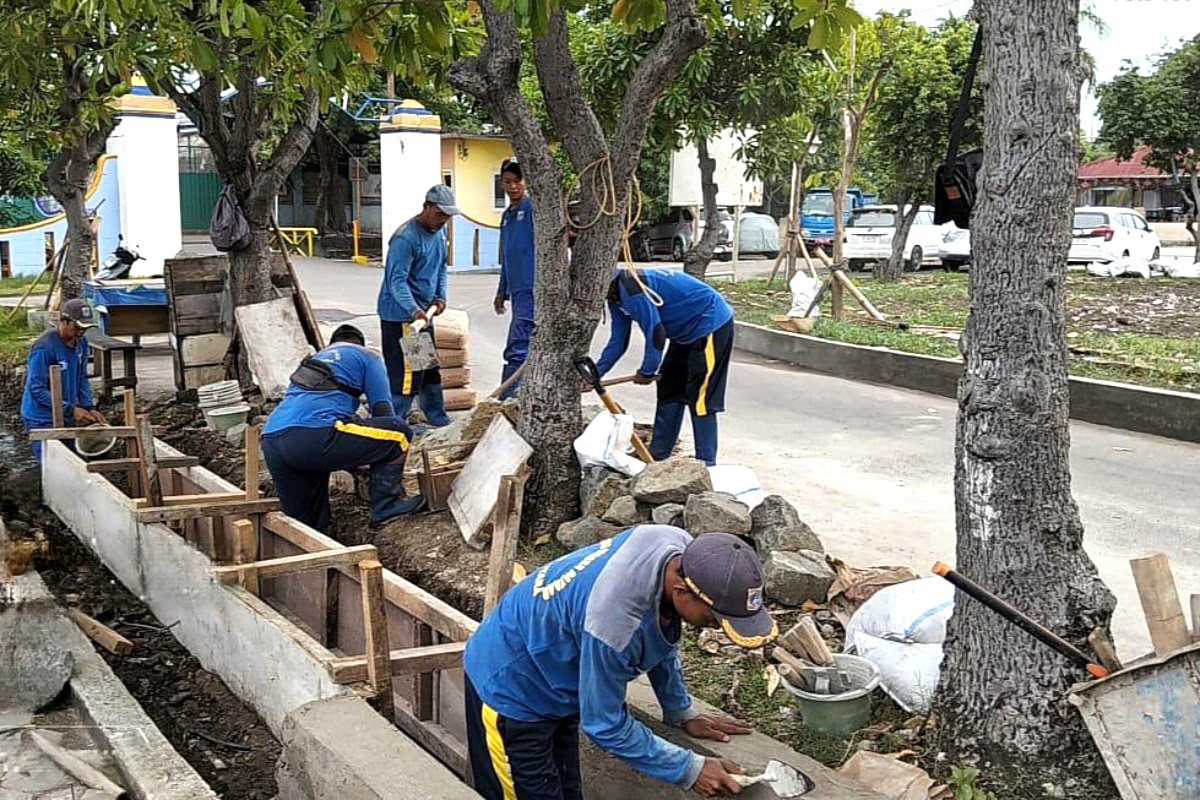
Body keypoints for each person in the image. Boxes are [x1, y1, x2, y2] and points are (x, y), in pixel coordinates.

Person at [464, 526, 775, 799]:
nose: (716, 627)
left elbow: (661, 630)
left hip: (558, 672)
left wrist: (680, 711)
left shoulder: (676, 547)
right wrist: (690, 769)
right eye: (714, 618)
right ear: (681, 591)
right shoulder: (614, 622)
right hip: (510, 687)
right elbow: (605, 725)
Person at [261, 324, 423, 530]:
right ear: (359, 344)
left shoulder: (312, 360)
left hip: (273, 441)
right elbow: (383, 410)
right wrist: (376, 457)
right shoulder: (367, 356)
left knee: (307, 528)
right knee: (398, 433)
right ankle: (387, 507)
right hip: (314, 436)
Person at [593, 268, 735, 465]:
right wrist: (595, 376)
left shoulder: (633, 289)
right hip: (684, 334)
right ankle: (658, 456)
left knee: (701, 397)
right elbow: (618, 340)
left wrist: (647, 370)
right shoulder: (615, 297)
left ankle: (706, 464)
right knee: (670, 389)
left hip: (710, 323)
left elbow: (656, 333)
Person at [378, 184, 458, 427]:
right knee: (407, 375)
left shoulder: (440, 233)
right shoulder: (406, 238)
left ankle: (437, 417)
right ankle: (394, 424)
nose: (444, 219)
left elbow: (441, 268)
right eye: (440, 213)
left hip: (423, 315)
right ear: (427, 207)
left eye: (447, 216)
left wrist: (440, 297)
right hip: (403, 318)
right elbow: (396, 281)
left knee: (427, 370)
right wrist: (414, 310)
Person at [21, 298, 106, 461]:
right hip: (42, 417)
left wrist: (89, 406)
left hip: (66, 411)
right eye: (78, 327)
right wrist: (72, 409)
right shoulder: (44, 348)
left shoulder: (81, 343)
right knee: (50, 463)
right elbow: (37, 389)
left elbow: (81, 378)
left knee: (72, 460)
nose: (81, 331)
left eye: (85, 328)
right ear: (64, 321)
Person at [493, 159, 535, 399]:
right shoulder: (507, 216)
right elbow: (507, 257)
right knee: (521, 343)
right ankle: (511, 393)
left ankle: (509, 395)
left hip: (534, 288)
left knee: (518, 344)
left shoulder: (532, 209)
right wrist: (502, 291)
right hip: (517, 290)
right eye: (508, 182)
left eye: (517, 181)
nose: (513, 187)